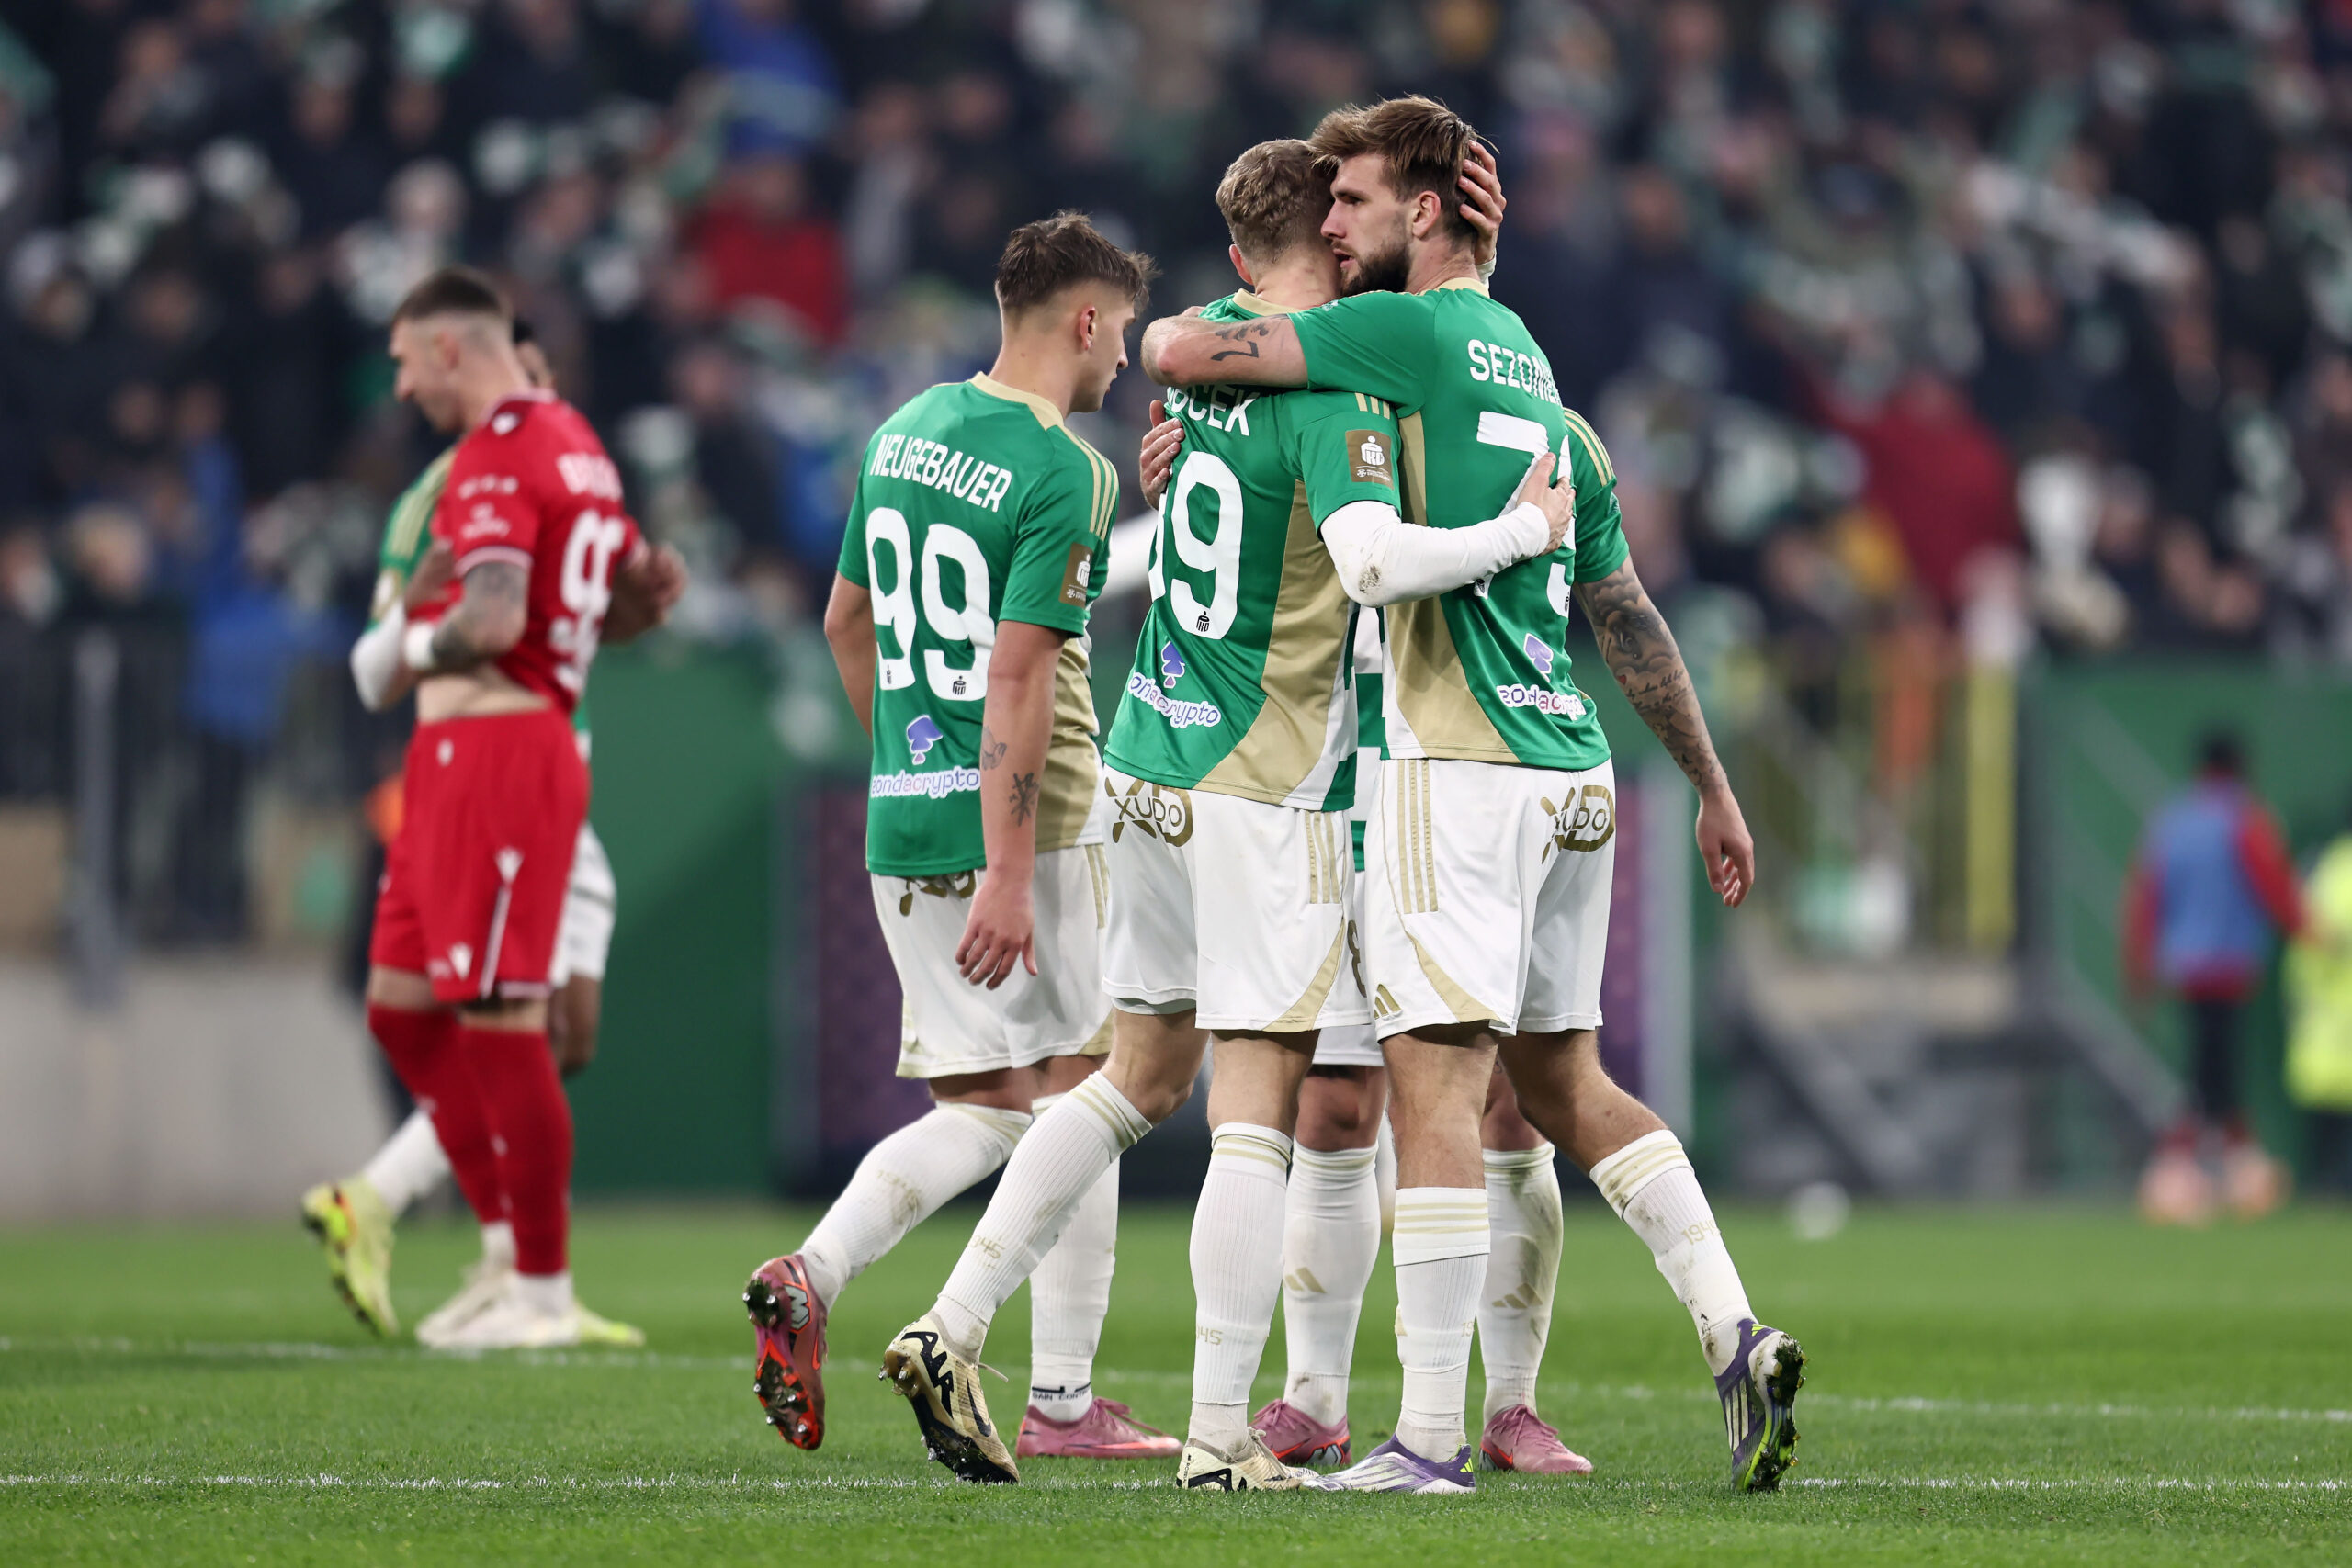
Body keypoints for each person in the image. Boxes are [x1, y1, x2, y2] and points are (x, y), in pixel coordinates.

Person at [878, 138, 1565, 1491]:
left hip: (1143, 754)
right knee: (1254, 1101)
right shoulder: (1339, 376)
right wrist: (1524, 534)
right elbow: (1370, 561)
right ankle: (1215, 1435)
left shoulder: (1205, 361)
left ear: (1246, 254)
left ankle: (952, 1320)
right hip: (1263, 782)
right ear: (1340, 232)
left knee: (1130, 1076)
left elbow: (1188, 401)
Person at [1138, 96, 1798, 1495]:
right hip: (1577, 771)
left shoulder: (1408, 333)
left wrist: (1195, 387)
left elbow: (1182, 339)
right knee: (1565, 1084)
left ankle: (1427, 1433)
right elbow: (1623, 610)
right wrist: (1714, 783)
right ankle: (1736, 1329)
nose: (1333, 225)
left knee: (1430, 1094)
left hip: (1460, 765)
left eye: (1359, 203)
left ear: (1427, 213)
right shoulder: (1546, 383)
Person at [747, 214, 1170, 1462]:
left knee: (993, 1099)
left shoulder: (903, 429)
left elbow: (844, 621)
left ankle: (816, 1273)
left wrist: (911, 764)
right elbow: (1025, 676)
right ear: (1085, 318)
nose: (1126, 363)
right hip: (1033, 828)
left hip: (903, 810)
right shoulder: (1069, 468)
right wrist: (1002, 863)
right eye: (1125, 331)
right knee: (1095, 1092)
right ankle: (1061, 1399)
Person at [353, 265, 681, 1349]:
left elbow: (490, 620)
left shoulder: (498, 451)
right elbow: (634, 590)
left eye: (404, 363)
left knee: (505, 1017)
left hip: (503, 746)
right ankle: (503, 1252)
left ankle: (539, 1288)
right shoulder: (577, 440)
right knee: (401, 1003)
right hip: (460, 756)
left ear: (450, 348)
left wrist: (403, 637)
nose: (400, 390)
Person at [2124, 731, 2303, 1222]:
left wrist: (2139, 969)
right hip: (2228, 965)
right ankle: (2181, 1177)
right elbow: (2273, 882)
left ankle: (2228, 1170)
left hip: (2185, 964)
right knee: (2212, 1075)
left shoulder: (2173, 822)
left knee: (2212, 1071)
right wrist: (2307, 929)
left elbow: (2146, 897)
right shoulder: (2245, 819)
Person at [2287, 795, 2352, 1196]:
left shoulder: (2324, 867)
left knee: (2325, 1144)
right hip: (2335, 1022)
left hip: (2321, 1022)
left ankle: (2322, 1191)